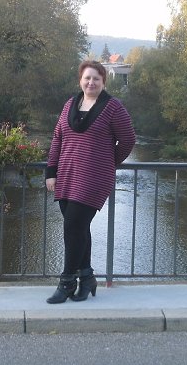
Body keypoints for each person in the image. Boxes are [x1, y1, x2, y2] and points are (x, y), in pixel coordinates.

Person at [45, 60, 136, 304]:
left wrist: (108, 162)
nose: (91, 82)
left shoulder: (113, 107)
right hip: (67, 175)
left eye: (96, 78)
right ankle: (86, 278)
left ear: (103, 82)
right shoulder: (70, 105)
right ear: (80, 81)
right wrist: (51, 171)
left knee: (72, 226)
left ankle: (66, 282)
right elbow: (57, 138)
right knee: (79, 228)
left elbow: (128, 139)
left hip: (94, 178)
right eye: (87, 78)